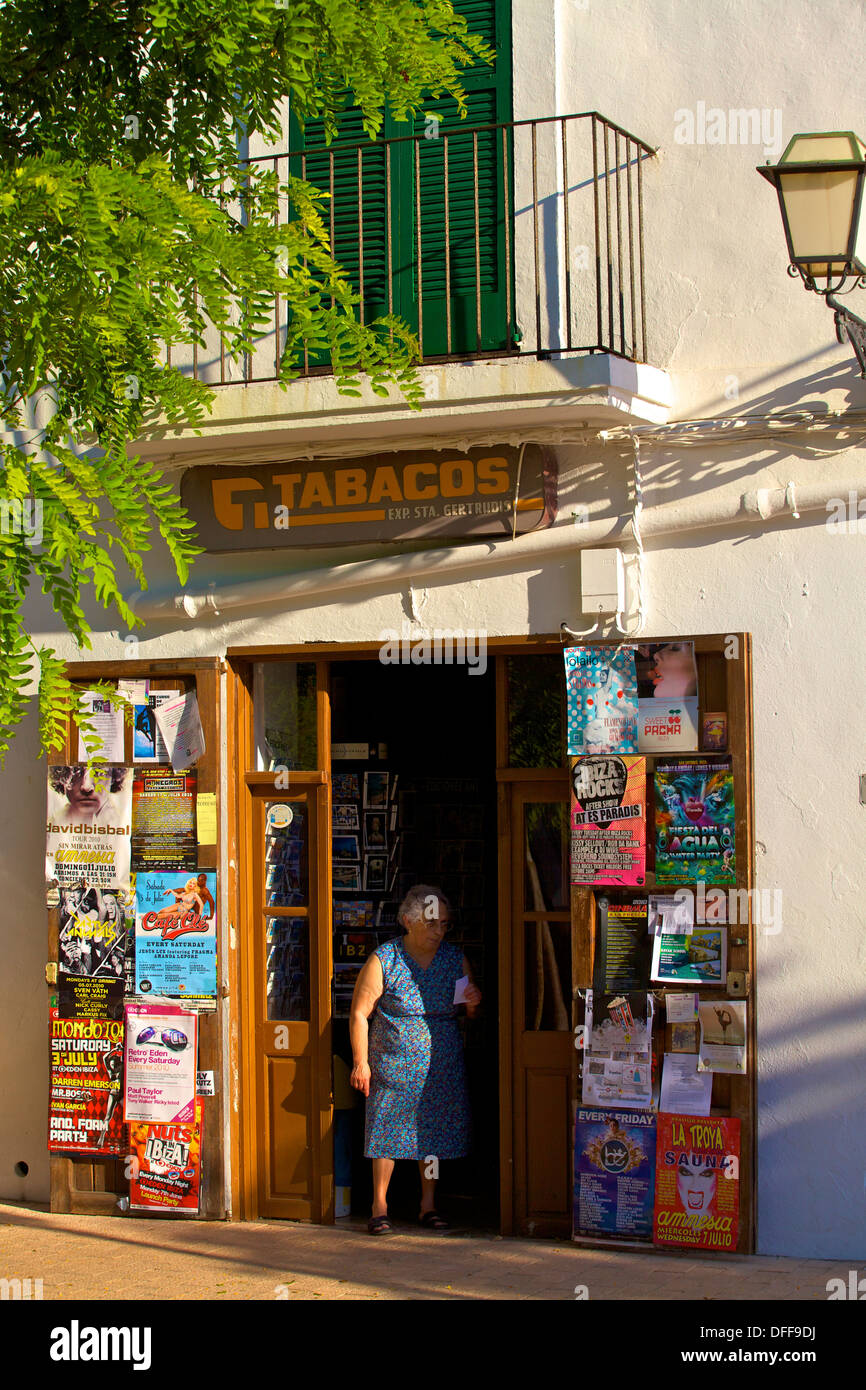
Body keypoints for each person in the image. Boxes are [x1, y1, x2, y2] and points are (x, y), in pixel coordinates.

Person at [349, 884, 481, 1235]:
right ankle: (379, 1206)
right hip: (391, 1065)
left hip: (440, 1065)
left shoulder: (454, 959)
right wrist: (361, 1062)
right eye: (433, 923)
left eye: (444, 925)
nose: (439, 931)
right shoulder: (385, 959)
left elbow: (468, 1011)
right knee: (386, 1134)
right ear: (408, 921)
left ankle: (428, 1205)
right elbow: (361, 1013)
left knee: (433, 1138)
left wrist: (473, 1003)